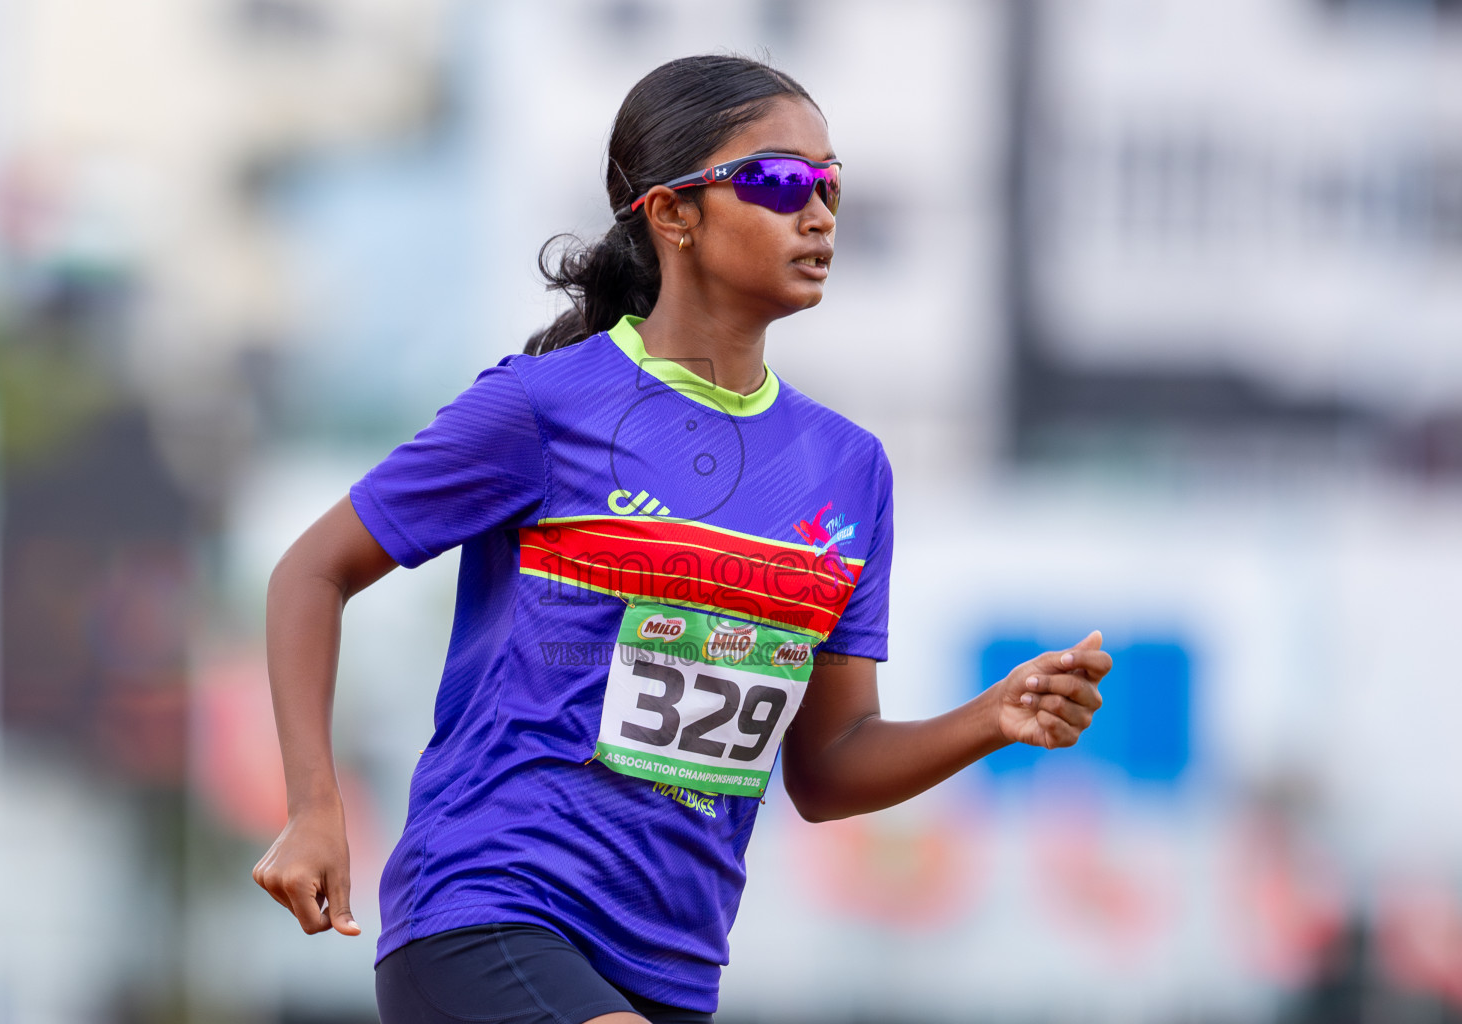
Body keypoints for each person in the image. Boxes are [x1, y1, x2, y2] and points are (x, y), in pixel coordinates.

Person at [252, 53, 1110, 1024]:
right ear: (673, 215)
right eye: (782, 182)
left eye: (831, 185)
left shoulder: (850, 468)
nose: (819, 213)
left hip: (671, 969)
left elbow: (828, 766)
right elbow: (311, 570)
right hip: (489, 910)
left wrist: (991, 717)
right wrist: (316, 807)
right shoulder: (543, 409)